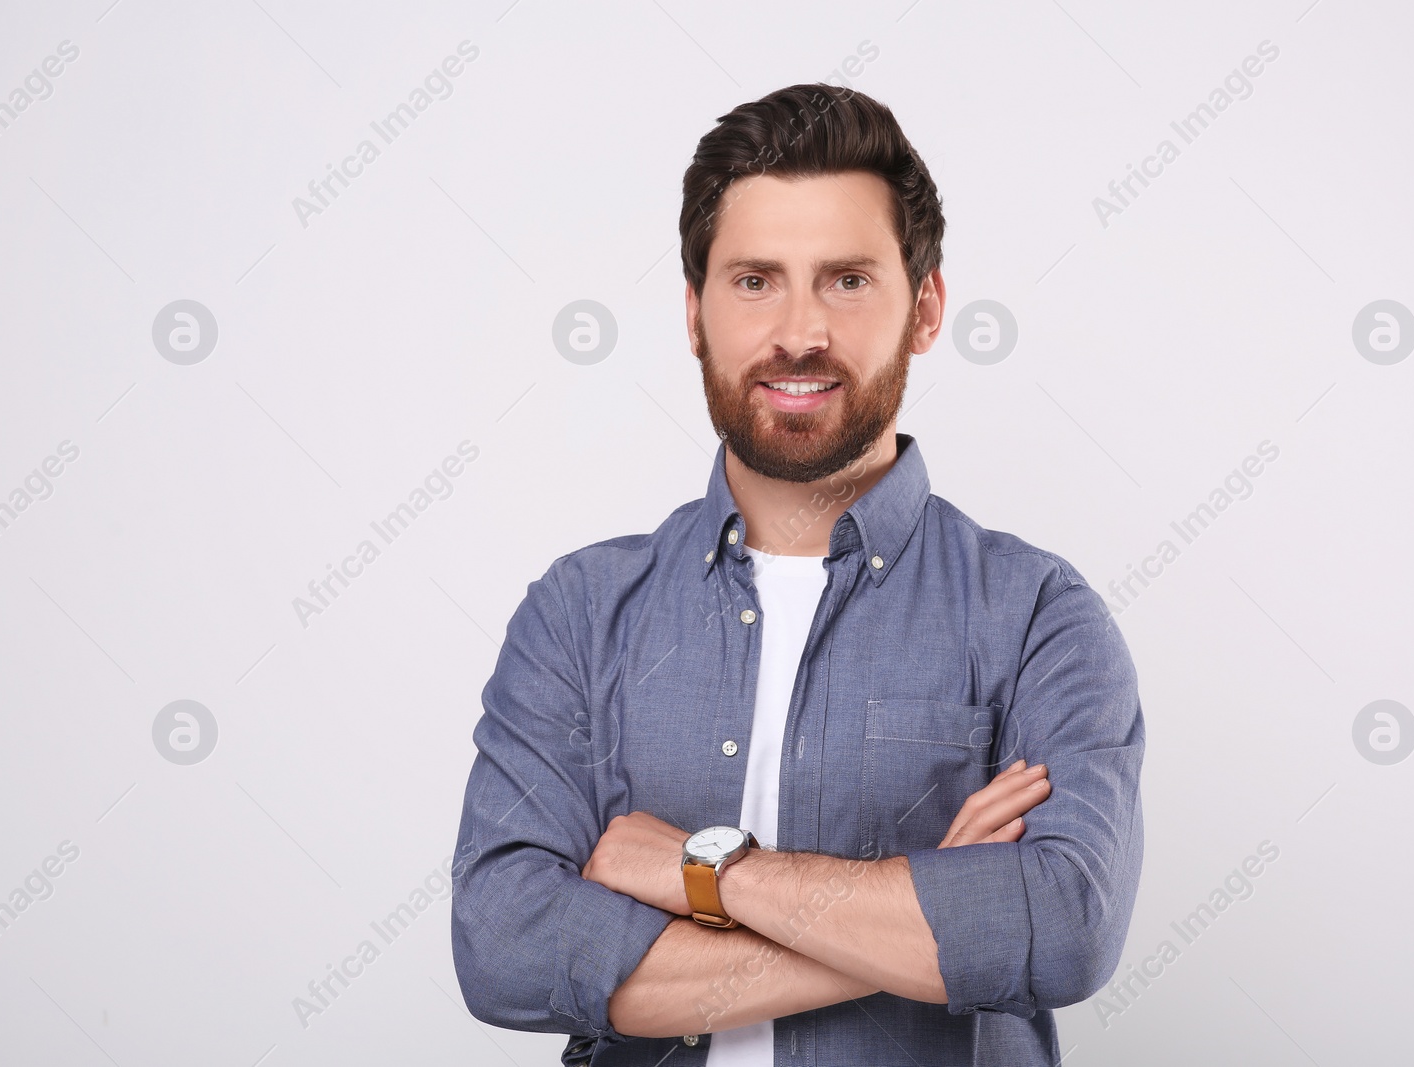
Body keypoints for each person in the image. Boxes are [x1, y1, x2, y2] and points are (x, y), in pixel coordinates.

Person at [450, 82, 1145, 1067]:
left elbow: (1063, 924)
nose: (799, 330)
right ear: (694, 312)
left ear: (926, 306)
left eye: (848, 279)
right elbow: (504, 947)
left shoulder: (1036, 613)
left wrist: (709, 873)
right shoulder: (578, 614)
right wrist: (935, 898)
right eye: (754, 280)